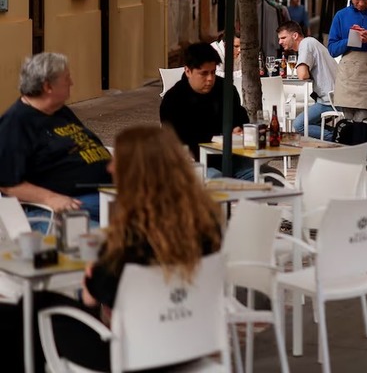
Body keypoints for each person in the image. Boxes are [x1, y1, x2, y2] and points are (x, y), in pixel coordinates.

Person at [1, 126, 223, 371]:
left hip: (129, 357)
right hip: (189, 346)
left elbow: (90, 297)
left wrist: (92, 273)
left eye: (117, 161)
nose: (110, 167)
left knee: (29, 307)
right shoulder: (207, 227)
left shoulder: (128, 241)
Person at [0, 52, 111, 225]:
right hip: (67, 206)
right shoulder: (15, 123)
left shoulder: (60, 111)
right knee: (114, 244)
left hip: (105, 195)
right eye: (67, 78)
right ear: (48, 87)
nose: (71, 83)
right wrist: (51, 198)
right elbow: (8, 183)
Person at [159, 42, 252, 179]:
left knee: (259, 177)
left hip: (232, 158)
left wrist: (239, 129)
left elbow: (240, 118)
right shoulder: (173, 100)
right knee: (217, 181)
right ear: (188, 71)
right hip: (195, 163)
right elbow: (176, 142)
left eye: (213, 72)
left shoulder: (225, 89)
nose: (209, 79)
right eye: (203, 73)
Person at [277, 20, 338, 140]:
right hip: (333, 97)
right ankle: (342, 134)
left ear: (295, 35)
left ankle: (340, 138)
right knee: (311, 124)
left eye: (283, 37)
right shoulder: (311, 43)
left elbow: (302, 75)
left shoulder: (306, 43)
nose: (280, 42)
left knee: (299, 125)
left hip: (330, 100)